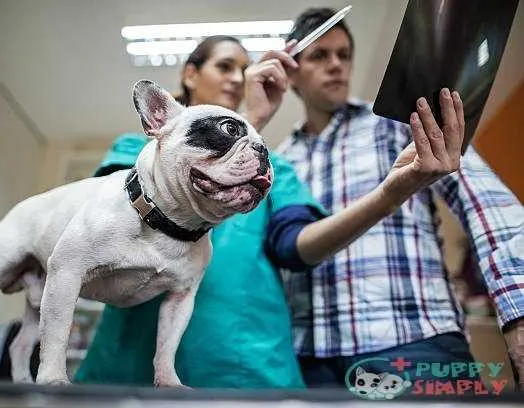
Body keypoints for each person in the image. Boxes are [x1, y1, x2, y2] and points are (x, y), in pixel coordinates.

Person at [74, 35, 465, 388]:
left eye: (244, 70)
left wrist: (390, 193)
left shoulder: (277, 167)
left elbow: (298, 248)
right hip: (131, 368)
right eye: (224, 66)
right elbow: (114, 222)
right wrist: (248, 124)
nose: (236, 79)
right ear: (190, 74)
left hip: (248, 371)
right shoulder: (138, 150)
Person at [276, 8, 524, 388]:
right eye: (319, 56)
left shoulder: (399, 123)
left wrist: (518, 312)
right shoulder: (279, 162)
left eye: (343, 54)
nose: (336, 65)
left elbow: (488, 206)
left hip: (414, 342)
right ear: (291, 72)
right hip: (312, 357)